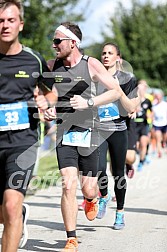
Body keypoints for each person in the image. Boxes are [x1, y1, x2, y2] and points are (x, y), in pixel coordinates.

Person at [45, 22, 139, 251]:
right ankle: (71, 238)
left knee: (88, 188)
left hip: (90, 132)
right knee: (68, 185)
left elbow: (115, 91)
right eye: (54, 41)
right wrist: (46, 108)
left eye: (58, 41)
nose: (54, 45)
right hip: (64, 133)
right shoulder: (51, 66)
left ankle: (91, 198)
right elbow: (45, 95)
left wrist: (89, 102)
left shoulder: (91, 65)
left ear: (72, 43)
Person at [0, 1, 57, 251]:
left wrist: (46, 102)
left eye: (10, 20)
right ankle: (19, 215)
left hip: (23, 141)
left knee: (10, 205)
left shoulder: (33, 59)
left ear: (20, 24)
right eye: (0, 20)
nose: (5, 25)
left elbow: (52, 92)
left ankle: (16, 213)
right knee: (6, 211)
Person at [70, 42, 139, 229]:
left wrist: (118, 91)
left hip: (118, 130)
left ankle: (120, 213)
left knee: (118, 173)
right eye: (103, 53)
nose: (106, 56)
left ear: (118, 57)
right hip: (98, 129)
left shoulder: (128, 78)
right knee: (99, 169)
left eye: (110, 53)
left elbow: (132, 107)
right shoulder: (94, 77)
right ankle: (104, 195)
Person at [134, 80, 152, 171]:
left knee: (143, 143)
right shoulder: (134, 99)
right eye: (140, 87)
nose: (142, 89)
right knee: (137, 145)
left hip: (144, 124)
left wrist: (150, 118)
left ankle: (141, 161)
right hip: (135, 124)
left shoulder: (148, 100)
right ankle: (142, 156)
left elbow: (151, 111)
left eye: (143, 87)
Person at [152, 91, 167, 157]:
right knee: (158, 139)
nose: (158, 98)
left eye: (159, 96)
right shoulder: (153, 104)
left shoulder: (165, 104)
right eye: (156, 96)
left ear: (161, 97)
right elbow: (152, 114)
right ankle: (159, 152)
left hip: (165, 123)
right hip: (157, 124)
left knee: (164, 138)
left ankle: (163, 143)